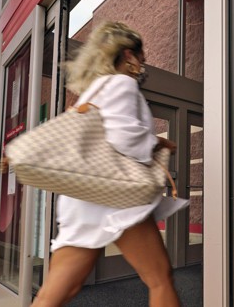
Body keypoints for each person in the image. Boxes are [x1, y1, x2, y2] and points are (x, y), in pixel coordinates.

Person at [32, 21, 187, 307]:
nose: (144, 60)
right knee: (159, 278)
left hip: (82, 199)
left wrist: (156, 142)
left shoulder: (93, 91)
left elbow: (105, 131)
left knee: (56, 292)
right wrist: (156, 143)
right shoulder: (122, 83)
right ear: (128, 55)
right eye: (141, 55)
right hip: (117, 198)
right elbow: (122, 137)